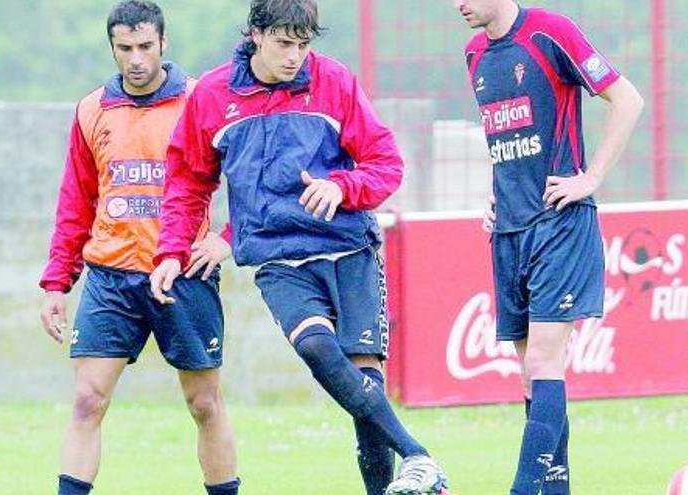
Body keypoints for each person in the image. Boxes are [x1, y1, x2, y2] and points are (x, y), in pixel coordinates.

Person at [149, 1, 449, 494]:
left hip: (349, 249)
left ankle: (405, 479)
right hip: (279, 257)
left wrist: (341, 187)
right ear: (256, 35)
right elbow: (186, 183)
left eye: (304, 44)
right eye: (285, 44)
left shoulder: (335, 82)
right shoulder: (212, 94)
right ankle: (419, 456)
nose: (295, 56)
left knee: (362, 384)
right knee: (314, 346)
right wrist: (170, 252)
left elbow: (385, 163)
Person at [38, 2, 240, 494]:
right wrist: (55, 283)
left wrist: (227, 238)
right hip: (111, 276)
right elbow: (76, 201)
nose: (136, 59)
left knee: (204, 404)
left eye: (145, 46)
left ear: (164, 44)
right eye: (125, 48)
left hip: (183, 274)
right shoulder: (92, 110)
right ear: (112, 47)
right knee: (87, 400)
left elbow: (252, 181)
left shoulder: (201, 101)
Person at [455, 0, 644, 493]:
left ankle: (522, 488)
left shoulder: (550, 32)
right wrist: (494, 196)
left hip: (559, 224)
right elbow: (511, 143)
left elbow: (628, 100)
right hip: (508, 232)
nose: (459, 5)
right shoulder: (474, 53)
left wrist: (592, 177)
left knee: (542, 362)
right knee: (530, 379)